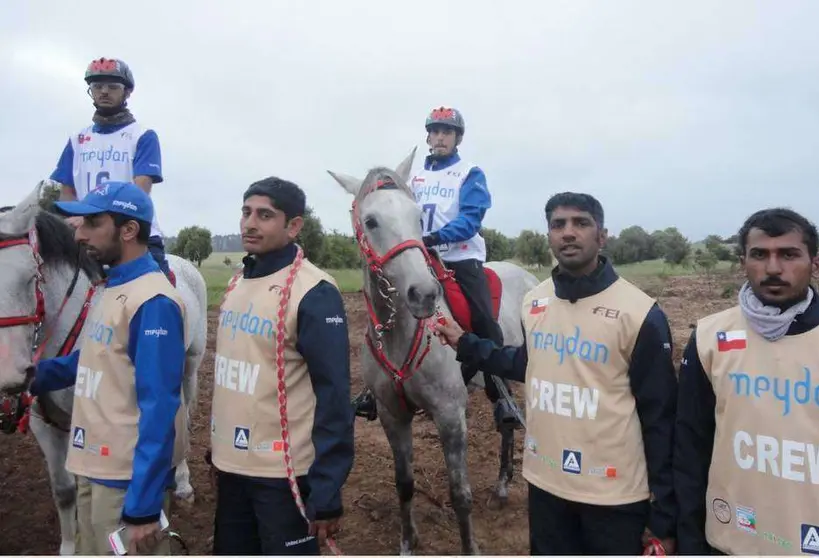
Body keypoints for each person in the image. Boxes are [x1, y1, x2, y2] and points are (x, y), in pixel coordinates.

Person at [434, 192, 678, 555]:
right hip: (546, 484)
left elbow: (661, 419)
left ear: (602, 236)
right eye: (558, 225)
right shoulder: (535, 301)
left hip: (612, 495)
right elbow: (529, 364)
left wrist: (664, 517)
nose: (568, 232)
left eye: (581, 223)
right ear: (548, 235)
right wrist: (466, 344)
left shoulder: (641, 314)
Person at [674, 208, 819, 556]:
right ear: (743, 262)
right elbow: (690, 449)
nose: (774, 268)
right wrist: (690, 543)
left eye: (789, 254)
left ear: (816, 264)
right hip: (733, 541)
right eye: (760, 255)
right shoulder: (709, 338)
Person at [29, 181, 188, 555]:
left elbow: (160, 406)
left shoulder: (153, 301)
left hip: (123, 480)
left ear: (128, 230)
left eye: (91, 224)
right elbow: (95, 358)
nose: (78, 234)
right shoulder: (111, 288)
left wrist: (144, 506)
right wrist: (32, 377)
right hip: (92, 466)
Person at [208, 177, 355, 555]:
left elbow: (334, 395)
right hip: (232, 469)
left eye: (264, 215)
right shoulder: (237, 282)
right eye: (246, 212)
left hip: (283, 476)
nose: (249, 223)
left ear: (293, 226)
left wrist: (326, 489)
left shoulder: (315, 293)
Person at [353, 105, 519, 431]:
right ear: (428, 136)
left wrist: (435, 238)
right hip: (418, 256)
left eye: (447, 132)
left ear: (457, 138)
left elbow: (471, 218)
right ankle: (377, 387)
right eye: (435, 131)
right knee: (384, 310)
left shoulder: (470, 173)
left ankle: (500, 390)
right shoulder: (412, 178)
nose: (440, 137)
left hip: (460, 257)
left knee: (483, 317)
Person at [49, 57, 173, 283]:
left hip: (133, 234)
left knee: (161, 292)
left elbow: (140, 191)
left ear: (126, 92)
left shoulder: (143, 136)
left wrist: (99, 221)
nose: (104, 91)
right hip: (88, 234)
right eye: (97, 86)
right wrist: (75, 219)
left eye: (113, 87)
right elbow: (67, 192)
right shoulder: (77, 139)